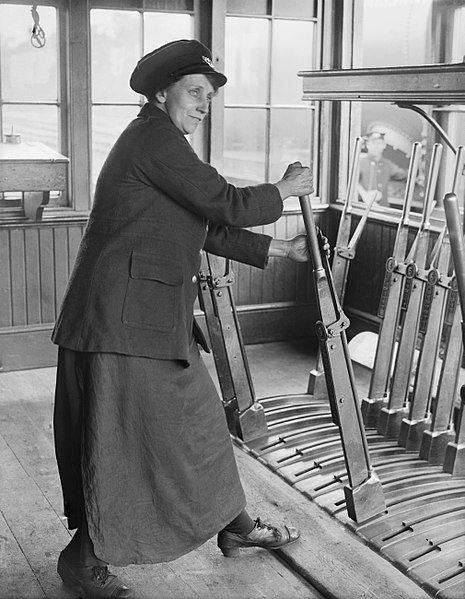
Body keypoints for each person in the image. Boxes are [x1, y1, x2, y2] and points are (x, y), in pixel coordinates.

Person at [52, 39, 316, 599]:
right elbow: (222, 201)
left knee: (197, 425)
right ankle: (83, 560)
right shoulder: (154, 139)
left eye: (210, 97)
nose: (203, 105)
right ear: (162, 93)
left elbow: (206, 223)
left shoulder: (164, 144)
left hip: (144, 320)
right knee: (124, 443)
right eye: (195, 93)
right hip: (120, 323)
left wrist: (278, 251)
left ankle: (237, 528)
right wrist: (285, 190)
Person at [358, 130, 407, 207]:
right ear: (367, 144)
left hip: (383, 208)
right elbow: (352, 184)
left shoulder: (388, 165)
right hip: (362, 207)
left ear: (384, 145)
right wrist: (365, 195)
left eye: (379, 143)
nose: (376, 146)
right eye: (373, 143)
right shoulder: (360, 162)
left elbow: (403, 174)